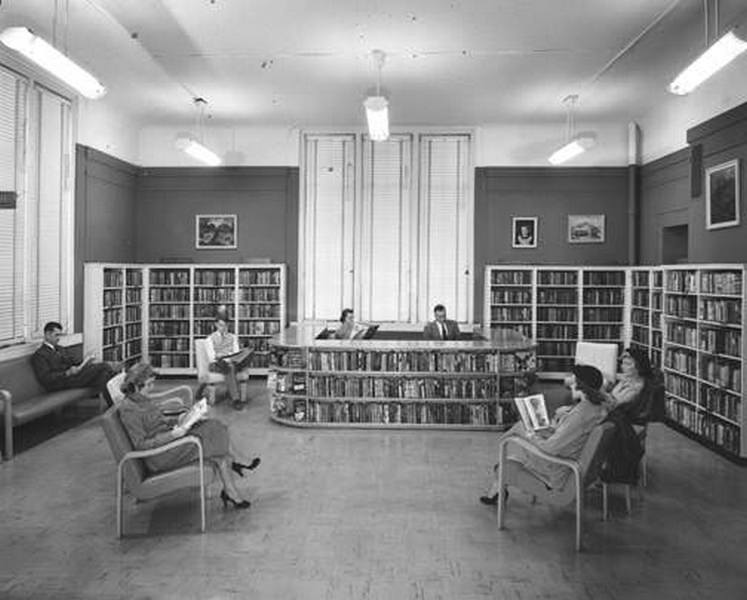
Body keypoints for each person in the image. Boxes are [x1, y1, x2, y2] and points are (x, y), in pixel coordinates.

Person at [117, 362, 260, 509]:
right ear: (135, 386)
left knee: (212, 426)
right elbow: (141, 445)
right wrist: (173, 434)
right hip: (160, 456)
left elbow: (157, 422)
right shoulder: (129, 410)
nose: (151, 388)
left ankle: (231, 491)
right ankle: (237, 462)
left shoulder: (141, 399)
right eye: (148, 385)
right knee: (214, 432)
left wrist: (179, 419)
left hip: (169, 443)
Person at [480, 364, 607, 504]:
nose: (569, 382)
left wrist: (528, 434)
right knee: (521, 438)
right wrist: (554, 424)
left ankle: (498, 484)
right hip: (566, 461)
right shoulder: (595, 408)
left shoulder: (580, 414)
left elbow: (550, 448)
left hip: (555, 471)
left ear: (581, 385)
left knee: (517, 434)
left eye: (573, 379)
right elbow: (569, 436)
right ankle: (497, 487)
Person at [31, 321, 117, 407]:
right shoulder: (40, 355)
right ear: (47, 335)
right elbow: (45, 378)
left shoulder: (60, 349)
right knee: (104, 366)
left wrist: (86, 361)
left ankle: (113, 406)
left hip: (73, 377)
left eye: (60, 335)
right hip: (60, 383)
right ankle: (116, 405)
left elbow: (73, 362)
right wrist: (67, 373)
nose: (58, 338)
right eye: (56, 335)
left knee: (104, 375)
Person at [206, 316, 253, 410]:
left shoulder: (232, 337)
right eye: (221, 325)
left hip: (231, 362)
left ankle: (235, 397)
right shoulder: (210, 339)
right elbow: (211, 357)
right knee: (229, 367)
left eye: (225, 325)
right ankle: (236, 399)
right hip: (217, 364)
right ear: (216, 325)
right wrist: (220, 356)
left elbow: (236, 351)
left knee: (238, 360)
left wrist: (229, 355)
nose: (223, 328)